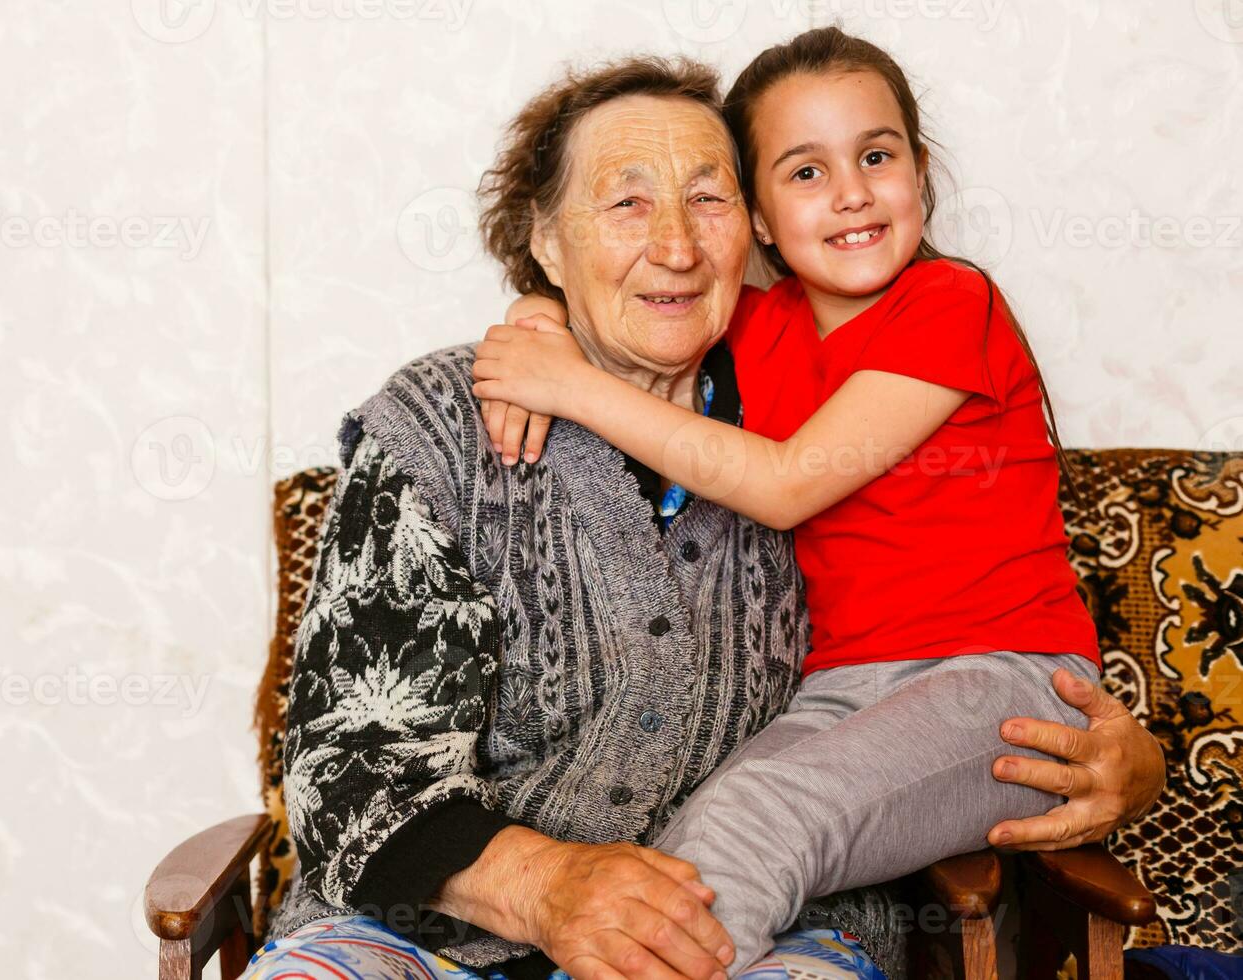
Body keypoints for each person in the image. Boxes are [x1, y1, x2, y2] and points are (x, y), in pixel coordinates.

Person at [246, 53, 1164, 980]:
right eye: (625, 204)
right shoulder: (452, 422)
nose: (677, 246)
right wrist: (542, 317)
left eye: (706, 201)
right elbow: (348, 770)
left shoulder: (795, 381)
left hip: (776, 914)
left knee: (754, 848)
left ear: (746, 234)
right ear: (548, 240)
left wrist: (1139, 764)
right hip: (429, 934)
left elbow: (794, 496)